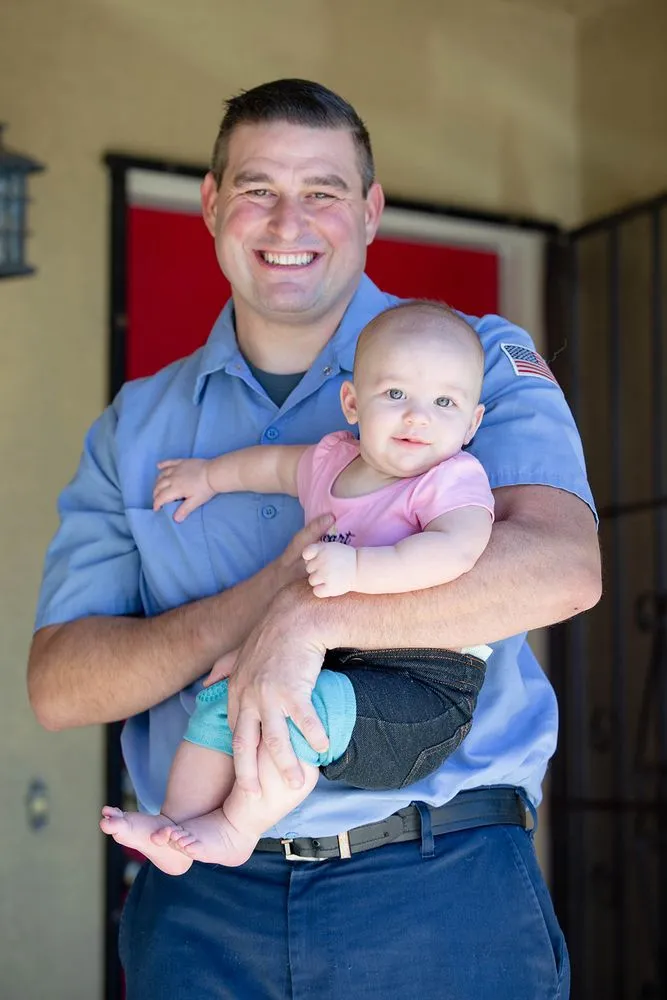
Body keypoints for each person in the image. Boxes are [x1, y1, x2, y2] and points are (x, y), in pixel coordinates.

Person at [28, 78, 601, 999]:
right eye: (256, 187)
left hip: (438, 887)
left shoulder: (469, 362)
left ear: (369, 212)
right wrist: (259, 605)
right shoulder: (136, 429)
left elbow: (563, 569)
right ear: (212, 205)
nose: (286, 219)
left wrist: (304, 621)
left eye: (323, 192)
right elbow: (58, 686)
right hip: (202, 905)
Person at [99, 300, 495, 872]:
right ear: (352, 403)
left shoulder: (451, 479)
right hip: (339, 663)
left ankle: (235, 827)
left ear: (472, 423)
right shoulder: (331, 461)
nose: (418, 418)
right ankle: (175, 828)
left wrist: (360, 570)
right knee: (231, 689)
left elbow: (457, 551)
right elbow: (275, 468)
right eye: (395, 395)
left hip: (422, 686)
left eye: (444, 402)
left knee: (291, 709)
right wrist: (209, 477)